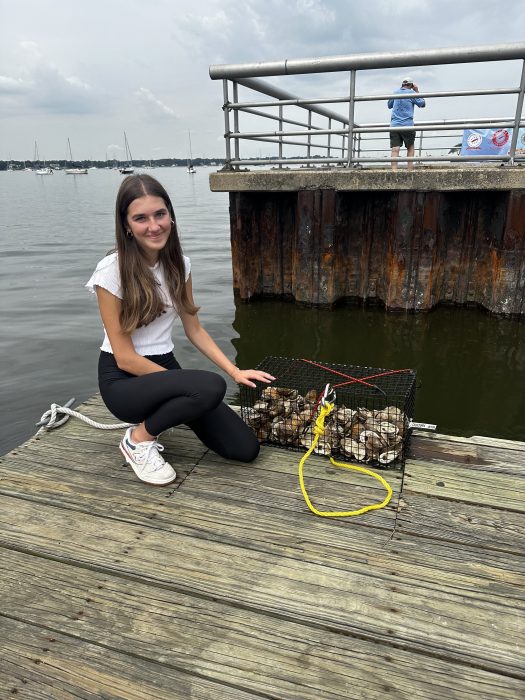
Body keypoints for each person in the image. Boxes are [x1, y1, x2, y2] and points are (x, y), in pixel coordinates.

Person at [86, 174, 275, 486]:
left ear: (170, 216)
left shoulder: (179, 265)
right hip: (122, 382)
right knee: (208, 387)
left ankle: (168, 411)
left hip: (165, 368)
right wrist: (184, 387)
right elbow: (124, 358)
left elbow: (194, 329)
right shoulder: (110, 272)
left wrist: (235, 370)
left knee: (245, 449)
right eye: (141, 218)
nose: (154, 225)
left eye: (159, 214)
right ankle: (137, 439)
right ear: (127, 227)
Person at [387, 77, 426, 171]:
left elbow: (389, 105)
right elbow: (422, 104)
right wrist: (417, 91)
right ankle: (409, 170)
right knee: (410, 147)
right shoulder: (412, 93)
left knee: (395, 149)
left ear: (402, 85)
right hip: (407, 124)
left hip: (394, 125)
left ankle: (394, 171)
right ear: (411, 85)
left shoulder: (395, 92)